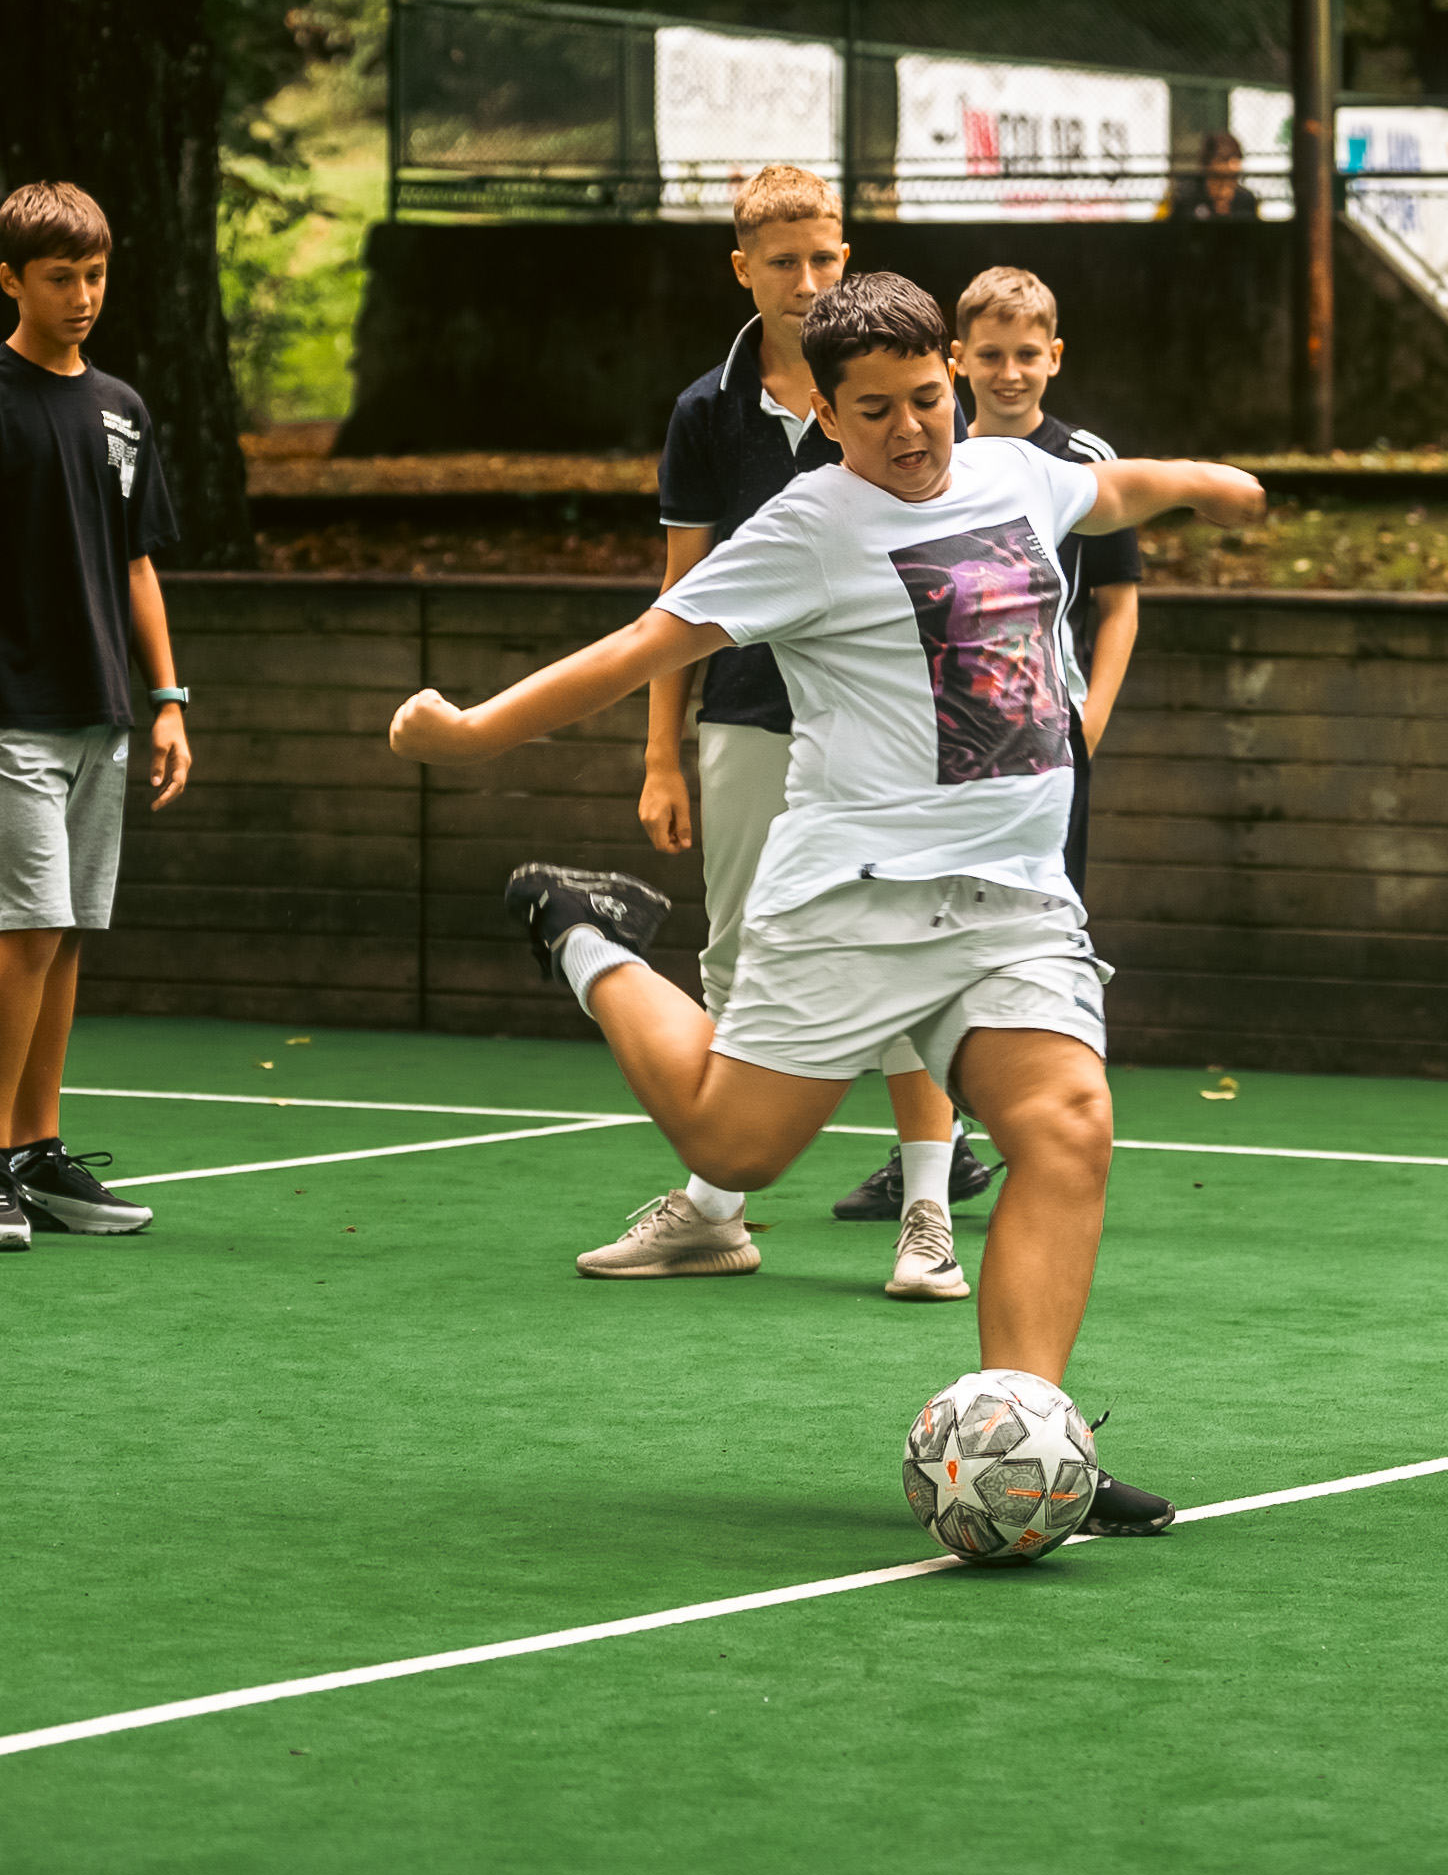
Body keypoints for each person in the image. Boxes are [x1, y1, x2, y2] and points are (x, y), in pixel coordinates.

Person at [387, 273, 1265, 1534]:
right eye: (876, 411)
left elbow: (1108, 494)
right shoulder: (805, 528)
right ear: (829, 413)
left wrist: (1203, 480)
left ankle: (1025, 1439)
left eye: (927, 398)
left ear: (954, 378)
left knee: (1067, 1129)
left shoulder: (1015, 474)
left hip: (1013, 897)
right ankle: (584, 933)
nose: (911, 430)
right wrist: (474, 733)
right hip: (854, 898)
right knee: (732, 1149)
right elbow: (642, 646)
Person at [579, 163, 987, 1303]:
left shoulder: (891, 382)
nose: (808, 281)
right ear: (741, 269)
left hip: (886, 721)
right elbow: (677, 595)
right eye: (783, 262)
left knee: (908, 950)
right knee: (737, 955)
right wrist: (662, 754)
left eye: (825, 256)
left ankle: (925, 1216)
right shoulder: (708, 410)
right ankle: (715, 1208)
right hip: (749, 715)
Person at [0, 182, 191, 1252]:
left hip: (101, 714)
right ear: (10, 281)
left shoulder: (121, 405)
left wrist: (166, 699)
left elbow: (136, 563)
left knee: (64, 932)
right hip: (11, 718)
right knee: (23, 929)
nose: (82, 296)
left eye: (96, 274)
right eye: (61, 277)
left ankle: (37, 1150)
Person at [949, 265, 1140, 894]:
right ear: (958, 360)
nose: (1009, 373)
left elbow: (1117, 605)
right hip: (955, 733)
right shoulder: (933, 460)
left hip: (1055, 732)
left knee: (1052, 907)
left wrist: (1091, 720)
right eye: (990, 355)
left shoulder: (1086, 462)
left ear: (1053, 357)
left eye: (1027, 355)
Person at [1169, 130, 1259, 223]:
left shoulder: (1246, 201)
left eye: (1232, 178)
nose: (1225, 189)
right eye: (1219, 178)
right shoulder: (1187, 199)